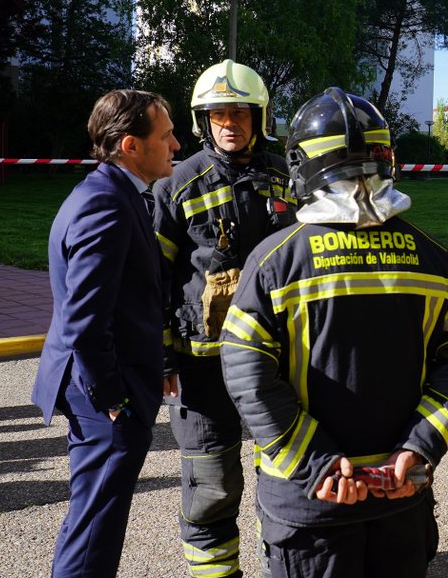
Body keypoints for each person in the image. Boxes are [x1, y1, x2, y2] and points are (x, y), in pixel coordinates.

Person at [221, 87, 448, 578]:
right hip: (399, 496)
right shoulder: (432, 257)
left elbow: (245, 372)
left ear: (302, 165)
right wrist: (418, 448)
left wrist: (315, 462)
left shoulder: (276, 261)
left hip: (310, 502)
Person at [151, 60, 296, 578]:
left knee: (284, 474)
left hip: (277, 364)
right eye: (217, 115)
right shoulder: (177, 183)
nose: (228, 123)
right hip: (201, 365)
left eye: (238, 113)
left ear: (258, 116)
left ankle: (285, 565)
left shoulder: (287, 176)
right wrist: (163, 355)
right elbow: (154, 280)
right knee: (210, 484)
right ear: (202, 121)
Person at [31, 89, 181, 577]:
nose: (176, 145)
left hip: (106, 391)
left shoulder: (114, 192)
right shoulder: (107, 204)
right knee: (95, 526)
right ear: (130, 146)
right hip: (104, 399)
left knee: (94, 520)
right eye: (166, 136)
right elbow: (84, 320)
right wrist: (114, 398)